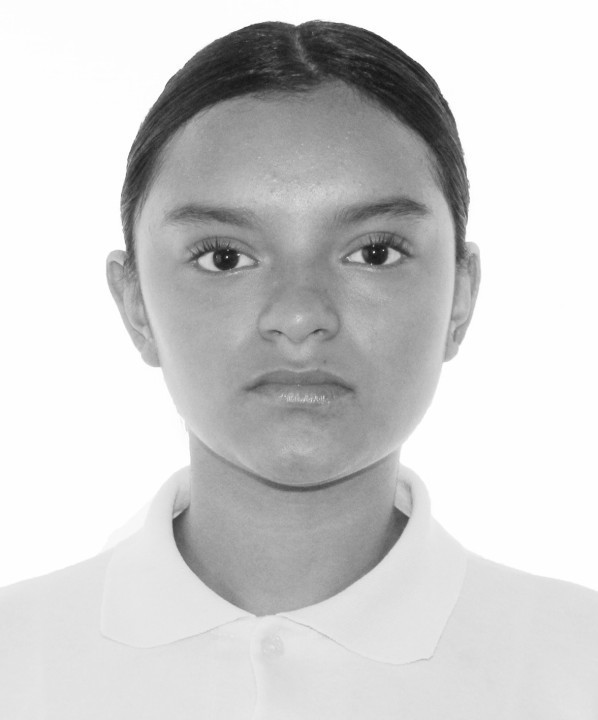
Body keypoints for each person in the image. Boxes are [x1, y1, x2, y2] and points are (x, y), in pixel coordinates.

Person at [1, 19, 597, 719]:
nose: (299, 315)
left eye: (374, 252)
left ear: (460, 297)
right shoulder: (19, 659)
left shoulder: (576, 665)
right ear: (135, 304)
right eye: (225, 256)